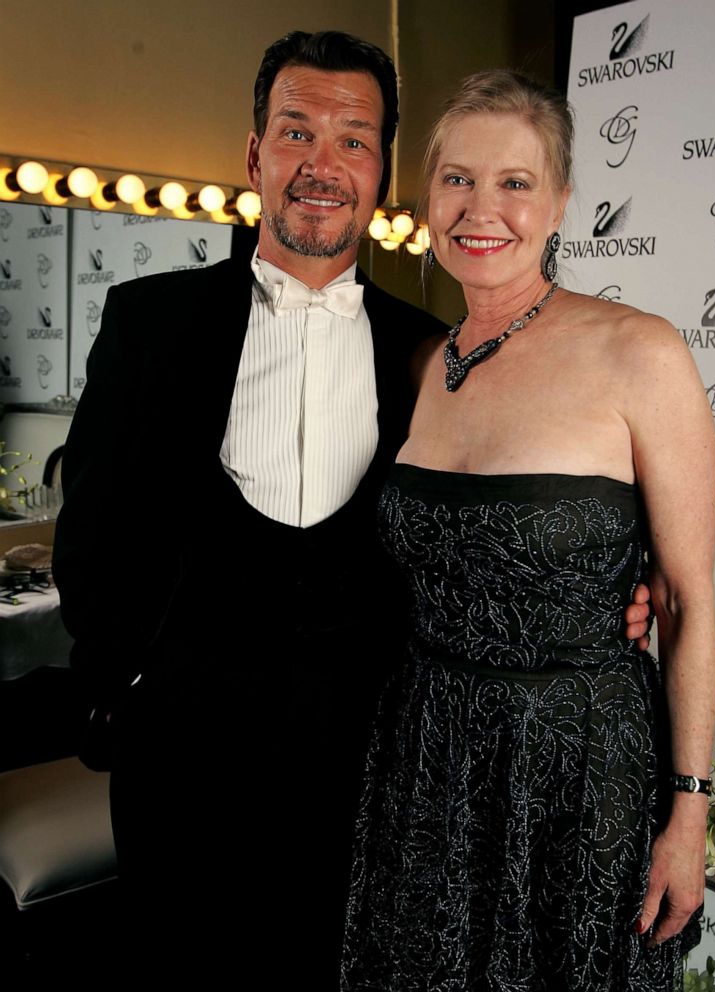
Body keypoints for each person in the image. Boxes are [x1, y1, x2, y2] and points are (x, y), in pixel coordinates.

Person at [52, 35, 650, 982]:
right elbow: (88, 537)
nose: (321, 166)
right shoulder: (147, 321)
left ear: (381, 176)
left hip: (369, 768)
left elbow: (478, 527)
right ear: (253, 155)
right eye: (296, 133)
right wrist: (126, 682)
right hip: (180, 765)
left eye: (354, 141)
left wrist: (610, 588)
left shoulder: (432, 354)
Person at [341, 70, 715, 992]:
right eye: (457, 180)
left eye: (515, 182)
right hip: (425, 752)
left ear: (558, 203)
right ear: (427, 199)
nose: (482, 208)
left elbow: (681, 599)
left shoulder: (641, 351)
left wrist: (689, 811)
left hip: (581, 765)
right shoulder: (420, 361)